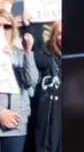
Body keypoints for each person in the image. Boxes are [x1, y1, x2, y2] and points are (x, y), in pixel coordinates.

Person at [0, 9, 38, 152]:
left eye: (7, 26)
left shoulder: (20, 53)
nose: (2, 30)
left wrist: (27, 52)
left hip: (16, 124)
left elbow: (31, 80)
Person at [30, 21, 62, 152]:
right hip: (49, 123)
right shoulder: (46, 58)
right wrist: (31, 24)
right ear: (54, 36)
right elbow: (36, 46)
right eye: (60, 33)